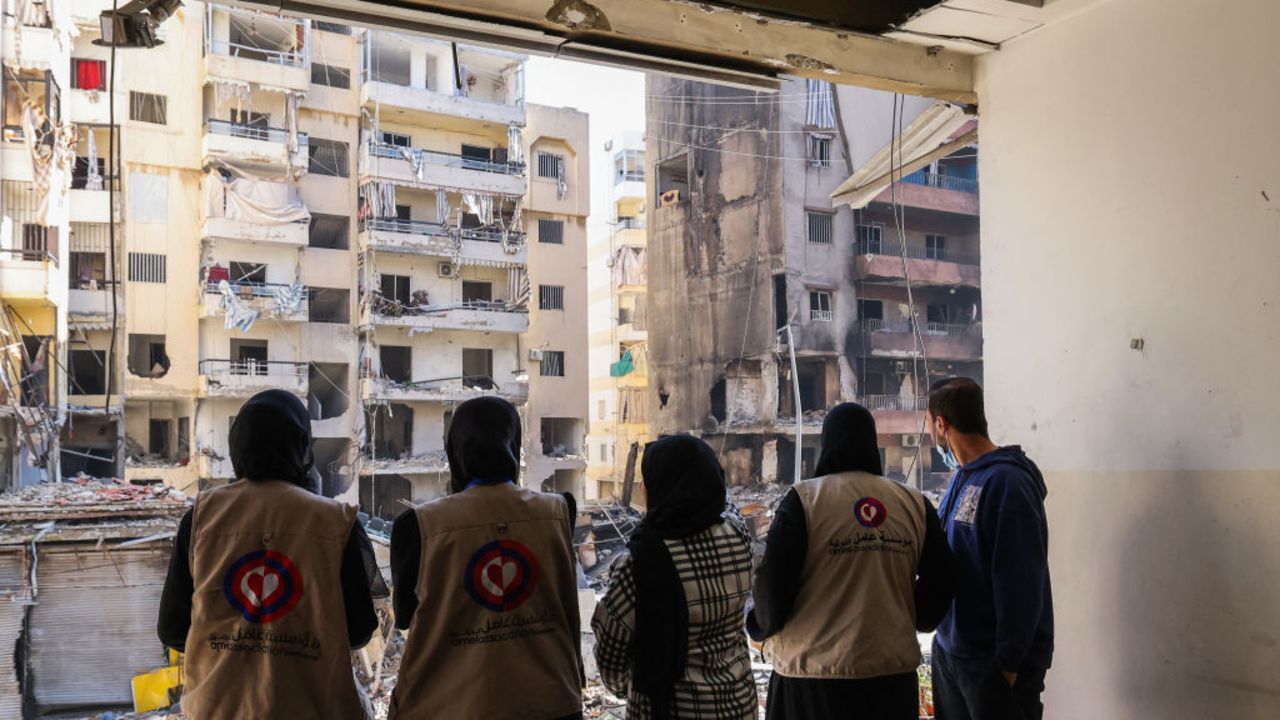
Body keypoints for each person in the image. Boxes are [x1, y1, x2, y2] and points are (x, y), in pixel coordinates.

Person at [158, 389, 386, 720]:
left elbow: (173, 630)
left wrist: (238, 648)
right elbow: (360, 630)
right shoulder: (336, 522)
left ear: (238, 444)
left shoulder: (201, 517)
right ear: (302, 445)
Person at [747, 403, 954, 719]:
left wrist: (760, 626)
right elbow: (942, 579)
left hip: (811, 683)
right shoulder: (913, 504)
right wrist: (913, 615)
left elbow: (772, 585)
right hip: (890, 684)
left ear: (828, 443)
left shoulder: (804, 501)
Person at [388, 396, 583, 719]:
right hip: (552, 702)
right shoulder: (560, 511)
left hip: (446, 705)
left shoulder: (418, 526)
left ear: (455, 449)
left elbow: (407, 616)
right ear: (514, 442)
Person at [592, 434, 756, 720]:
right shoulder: (737, 534)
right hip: (739, 704)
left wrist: (632, 687)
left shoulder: (639, 564)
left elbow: (611, 656)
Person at [928, 378, 1053, 720]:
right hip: (954, 654)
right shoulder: (962, 479)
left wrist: (1007, 666)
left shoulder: (1008, 485)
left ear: (941, 424)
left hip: (993, 667)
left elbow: (1021, 583)